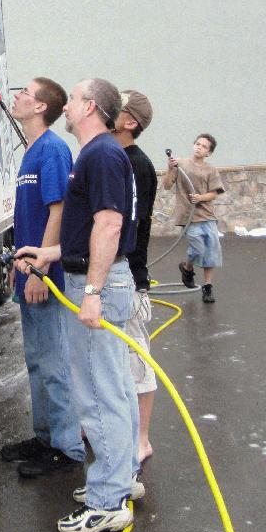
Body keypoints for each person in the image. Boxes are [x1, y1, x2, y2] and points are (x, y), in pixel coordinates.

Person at [15, 78, 143, 532]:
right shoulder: (99, 154)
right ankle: (121, 477)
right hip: (97, 276)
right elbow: (86, 229)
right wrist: (47, 253)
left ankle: (108, 502)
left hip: (98, 283)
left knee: (98, 395)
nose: (65, 107)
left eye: (72, 99)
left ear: (89, 107)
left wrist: (91, 291)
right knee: (115, 387)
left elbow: (108, 226)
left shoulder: (101, 154)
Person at [0, 77, 85, 478]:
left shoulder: (52, 150)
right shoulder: (32, 150)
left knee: (54, 364)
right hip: (28, 276)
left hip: (44, 276)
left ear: (40, 107)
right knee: (37, 361)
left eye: (24, 92)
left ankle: (67, 448)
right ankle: (45, 437)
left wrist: (40, 269)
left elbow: (59, 211)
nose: (16, 96)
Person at [113, 90, 157, 463]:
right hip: (115, 275)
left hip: (129, 276)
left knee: (136, 360)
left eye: (118, 107)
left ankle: (142, 439)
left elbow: (130, 224)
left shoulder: (137, 165)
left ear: (130, 122)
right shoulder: (114, 157)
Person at [162, 134, 225, 303]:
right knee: (197, 249)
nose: (199, 147)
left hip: (207, 215)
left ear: (209, 153)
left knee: (211, 251)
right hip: (188, 216)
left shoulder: (211, 170)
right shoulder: (180, 164)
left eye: (204, 146)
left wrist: (201, 198)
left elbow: (214, 193)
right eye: (197, 144)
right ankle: (187, 268)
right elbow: (167, 185)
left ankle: (208, 287)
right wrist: (170, 168)